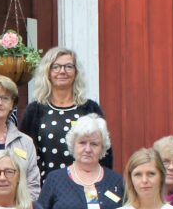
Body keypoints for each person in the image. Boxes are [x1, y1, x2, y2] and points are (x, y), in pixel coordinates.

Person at [18, 47, 111, 180]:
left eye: (68, 66)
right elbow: (23, 152)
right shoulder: (35, 110)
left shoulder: (90, 108)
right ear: (47, 72)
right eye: (56, 67)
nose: (62, 71)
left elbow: (105, 152)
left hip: (85, 186)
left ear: (76, 72)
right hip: (45, 189)